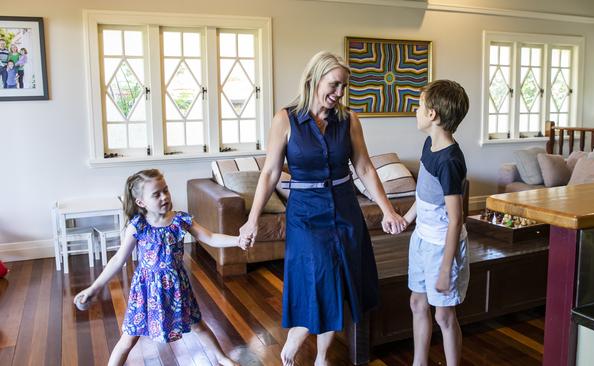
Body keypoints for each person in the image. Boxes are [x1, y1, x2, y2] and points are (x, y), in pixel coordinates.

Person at [237, 51, 407, 366]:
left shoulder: (349, 119)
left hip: (345, 209)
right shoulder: (285, 119)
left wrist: (388, 210)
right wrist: (252, 220)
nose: (339, 93)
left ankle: (322, 356)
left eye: (344, 87)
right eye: (334, 84)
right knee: (318, 276)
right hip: (305, 214)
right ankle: (297, 337)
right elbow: (270, 173)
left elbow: (365, 168)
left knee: (341, 281)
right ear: (314, 79)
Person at [74, 169, 244, 366]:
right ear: (141, 202)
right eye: (156, 194)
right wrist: (94, 288)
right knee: (129, 338)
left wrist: (238, 240)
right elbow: (118, 259)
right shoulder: (138, 226)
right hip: (146, 291)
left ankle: (222, 358)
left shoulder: (180, 220)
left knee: (198, 326)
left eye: (166, 190)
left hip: (177, 288)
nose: (164, 196)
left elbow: (211, 237)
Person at [402, 80, 470, 366]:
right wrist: (406, 218)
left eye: (419, 105)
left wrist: (445, 268)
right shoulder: (429, 144)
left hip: (443, 246)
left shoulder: (450, 161)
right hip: (421, 239)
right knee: (417, 303)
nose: (416, 111)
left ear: (432, 115)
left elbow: (456, 219)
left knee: (444, 315)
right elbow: (426, 194)